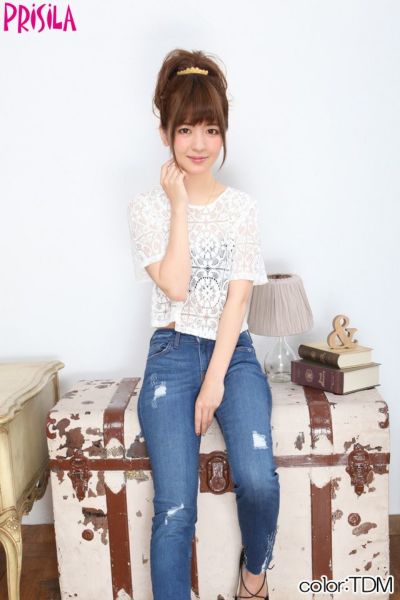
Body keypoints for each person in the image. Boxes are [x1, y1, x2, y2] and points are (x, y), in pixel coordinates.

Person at [127, 48, 280, 600]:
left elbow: (238, 301)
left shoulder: (242, 208)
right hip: (170, 354)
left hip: (232, 353)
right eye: (186, 129)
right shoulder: (147, 208)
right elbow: (175, 286)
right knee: (174, 509)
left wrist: (215, 380)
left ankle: (254, 576)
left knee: (258, 480)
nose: (199, 143)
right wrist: (178, 207)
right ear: (165, 133)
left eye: (211, 129)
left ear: (223, 134)